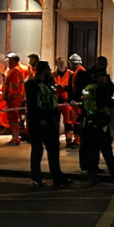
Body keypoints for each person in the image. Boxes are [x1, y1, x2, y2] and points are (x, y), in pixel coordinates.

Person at [26, 61, 71, 189]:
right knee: (37, 151)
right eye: (48, 68)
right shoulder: (32, 84)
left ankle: (57, 177)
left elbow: (53, 102)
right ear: (43, 70)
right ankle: (36, 178)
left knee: (53, 151)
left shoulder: (49, 83)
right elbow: (32, 104)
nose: (50, 70)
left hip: (50, 121)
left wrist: (55, 119)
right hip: (37, 122)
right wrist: (39, 119)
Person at [81, 72, 114, 186]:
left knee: (93, 151)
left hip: (90, 121)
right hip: (100, 122)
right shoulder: (100, 89)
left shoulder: (88, 88)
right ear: (98, 77)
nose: (106, 78)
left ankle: (92, 176)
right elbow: (106, 102)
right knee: (107, 150)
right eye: (104, 76)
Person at [77, 57, 110, 172]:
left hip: (98, 115)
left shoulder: (104, 76)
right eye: (102, 63)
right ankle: (86, 165)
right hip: (90, 115)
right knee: (88, 142)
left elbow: (109, 92)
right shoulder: (89, 76)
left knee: (95, 144)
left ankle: (92, 166)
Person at [3, 53, 27, 145]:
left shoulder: (15, 71)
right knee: (14, 118)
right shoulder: (13, 70)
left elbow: (15, 85)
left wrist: (9, 95)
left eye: (10, 59)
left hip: (14, 98)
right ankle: (15, 137)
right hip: (15, 97)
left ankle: (15, 138)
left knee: (13, 118)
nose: (8, 61)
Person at [54, 57, 75, 146]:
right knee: (55, 122)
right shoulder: (53, 75)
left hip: (67, 101)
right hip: (56, 101)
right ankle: (55, 140)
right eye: (59, 63)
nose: (61, 64)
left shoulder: (71, 74)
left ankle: (69, 140)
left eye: (62, 62)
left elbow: (74, 87)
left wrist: (65, 88)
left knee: (68, 122)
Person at [66, 54, 85, 147]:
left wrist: (75, 99)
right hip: (76, 103)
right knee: (76, 121)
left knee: (78, 121)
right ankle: (77, 139)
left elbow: (79, 88)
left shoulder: (80, 73)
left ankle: (78, 140)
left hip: (79, 103)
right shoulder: (76, 73)